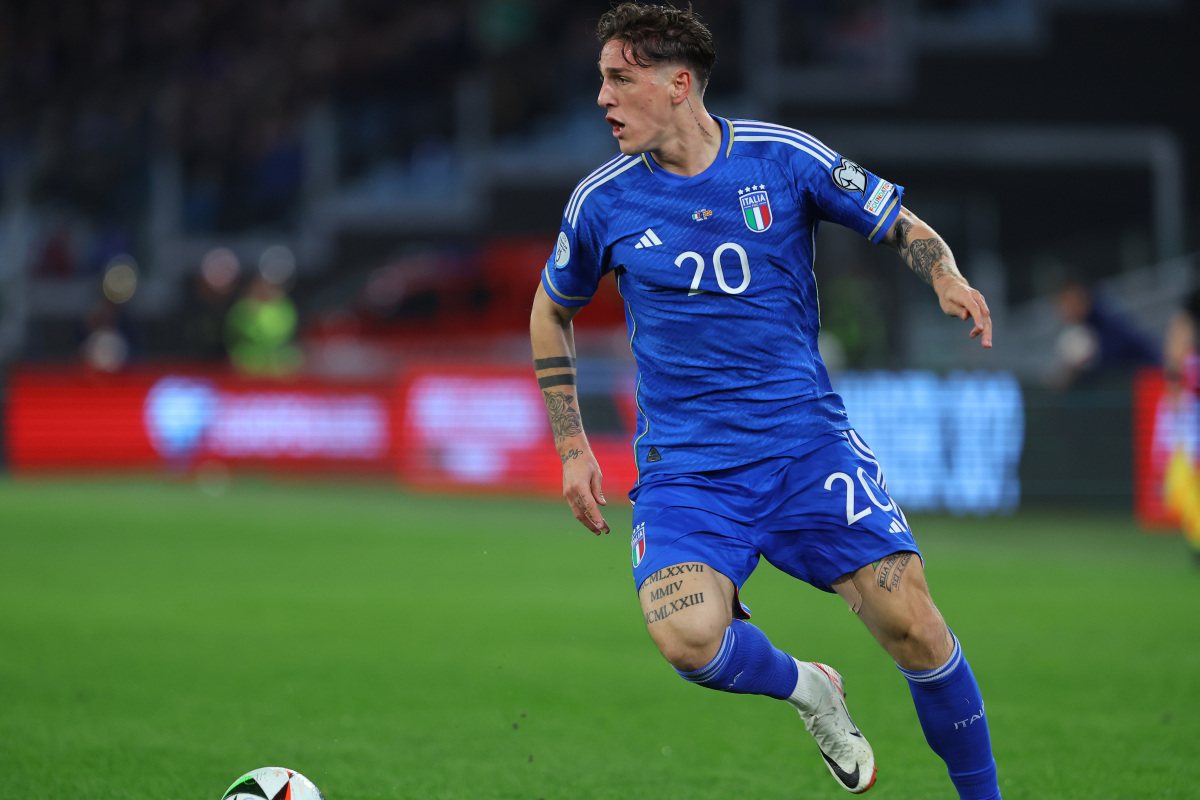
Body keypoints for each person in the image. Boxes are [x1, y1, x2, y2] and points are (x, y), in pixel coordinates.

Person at [528, 4, 999, 797]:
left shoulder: (782, 158)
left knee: (914, 626)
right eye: (601, 79)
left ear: (679, 84)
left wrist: (944, 275)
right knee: (688, 638)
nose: (603, 98)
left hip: (804, 450)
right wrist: (573, 446)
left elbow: (898, 222)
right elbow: (550, 311)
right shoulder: (601, 201)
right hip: (689, 471)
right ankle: (809, 689)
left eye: (620, 80)